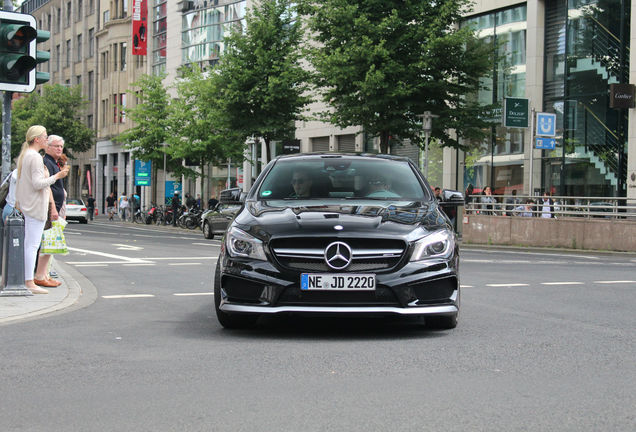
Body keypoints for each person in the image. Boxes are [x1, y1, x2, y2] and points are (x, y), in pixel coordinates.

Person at [15, 125, 69, 294]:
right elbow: (38, 184)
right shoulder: (35, 157)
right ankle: (29, 281)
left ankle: (29, 279)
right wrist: (57, 176)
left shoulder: (27, 155)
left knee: (30, 244)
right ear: (37, 139)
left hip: (30, 205)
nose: (47, 139)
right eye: (45, 137)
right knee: (32, 245)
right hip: (36, 206)